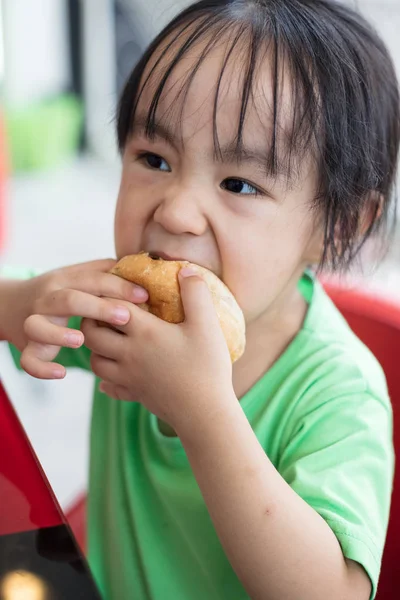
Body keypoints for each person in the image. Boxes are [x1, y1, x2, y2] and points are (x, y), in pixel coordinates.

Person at [1, 1, 399, 598]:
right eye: (153, 160)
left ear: (339, 227)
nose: (176, 211)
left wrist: (203, 412)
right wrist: (29, 301)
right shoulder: (126, 310)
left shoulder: (336, 393)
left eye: (239, 183)